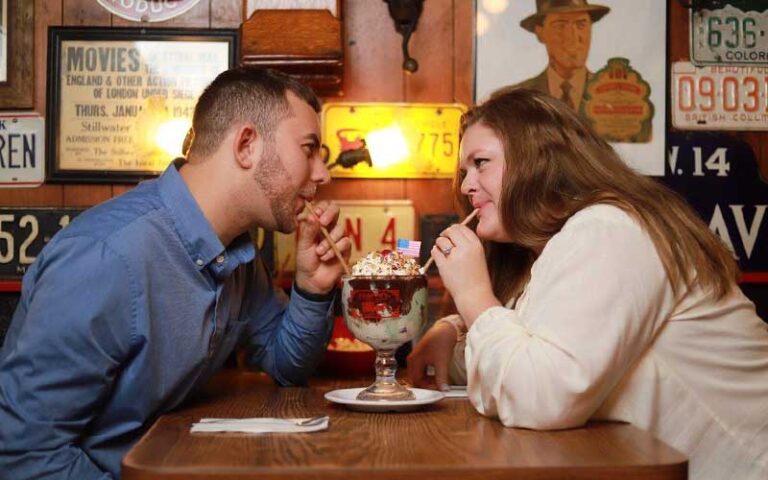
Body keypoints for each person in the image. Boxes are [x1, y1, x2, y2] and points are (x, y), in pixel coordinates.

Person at [0, 67, 351, 479]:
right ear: (246, 145)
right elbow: (24, 455)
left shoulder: (237, 252)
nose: (323, 174)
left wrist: (311, 289)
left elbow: (285, 364)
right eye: (309, 149)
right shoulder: (105, 258)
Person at [408, 88, 768, 480]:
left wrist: (473, 295)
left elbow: (544, 396)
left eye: (481, 163)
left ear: (538, 160)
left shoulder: (610, 229)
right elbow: (528, 349)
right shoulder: (560, 244)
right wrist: (454, 332)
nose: (465, 186)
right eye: (465, 171)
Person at [512, 0, 610, 113]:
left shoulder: (615, 97)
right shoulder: (518, 100)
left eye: (581, 25)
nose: (573, 37)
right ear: (540, 33)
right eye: (561, 26)